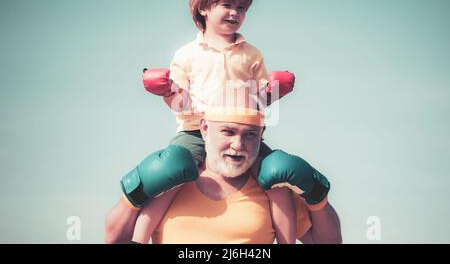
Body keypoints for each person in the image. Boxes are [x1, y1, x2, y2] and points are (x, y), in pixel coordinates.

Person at [126, 0, 299, 243]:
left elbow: (260, 98)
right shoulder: (187, 54)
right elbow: (177, 99)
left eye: (242, 8)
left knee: (277, 180)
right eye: (227, 5)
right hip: (196, 131)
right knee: (169, 179)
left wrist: (275, 91)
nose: (235, 13)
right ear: (204, 8)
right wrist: (167, 91)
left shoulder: (251, 54)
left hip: (241, 132)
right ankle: (139, 237)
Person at [105, 107, 342, 243]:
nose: (238, 145)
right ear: (205, 129)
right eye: (228, 132)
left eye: (250, 135)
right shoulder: (172, 181)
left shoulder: (274, 188)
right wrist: (133, 195)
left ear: (262, 134)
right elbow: (114, 240)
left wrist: (316, 193)